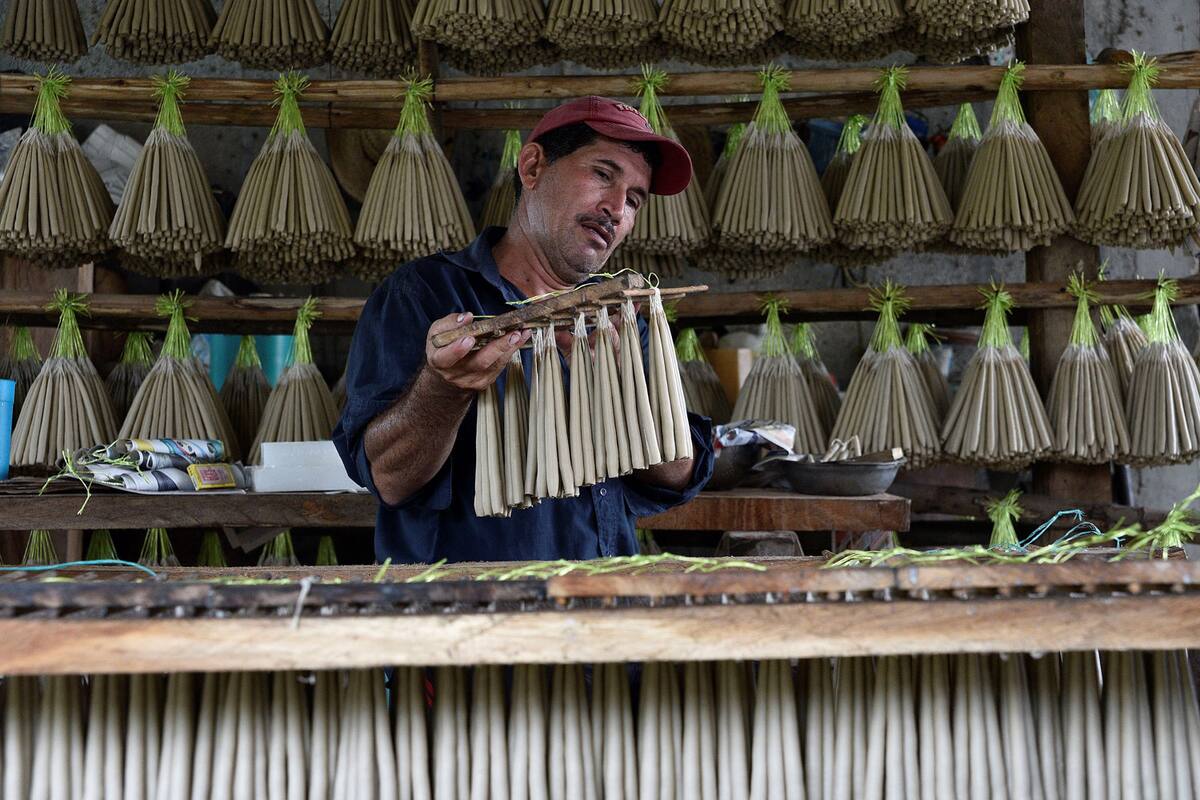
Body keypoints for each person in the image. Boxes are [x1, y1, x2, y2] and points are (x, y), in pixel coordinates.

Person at [333, 96, 715, 564]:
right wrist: (442, 388)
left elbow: (678, 472)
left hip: (597, 603)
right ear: (532, 167)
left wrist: (615, 382)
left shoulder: (621, 315)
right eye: (602, 174)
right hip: (462, 614)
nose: (616, 208)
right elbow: (388, 479)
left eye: (634, 199)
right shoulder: (421, 294)